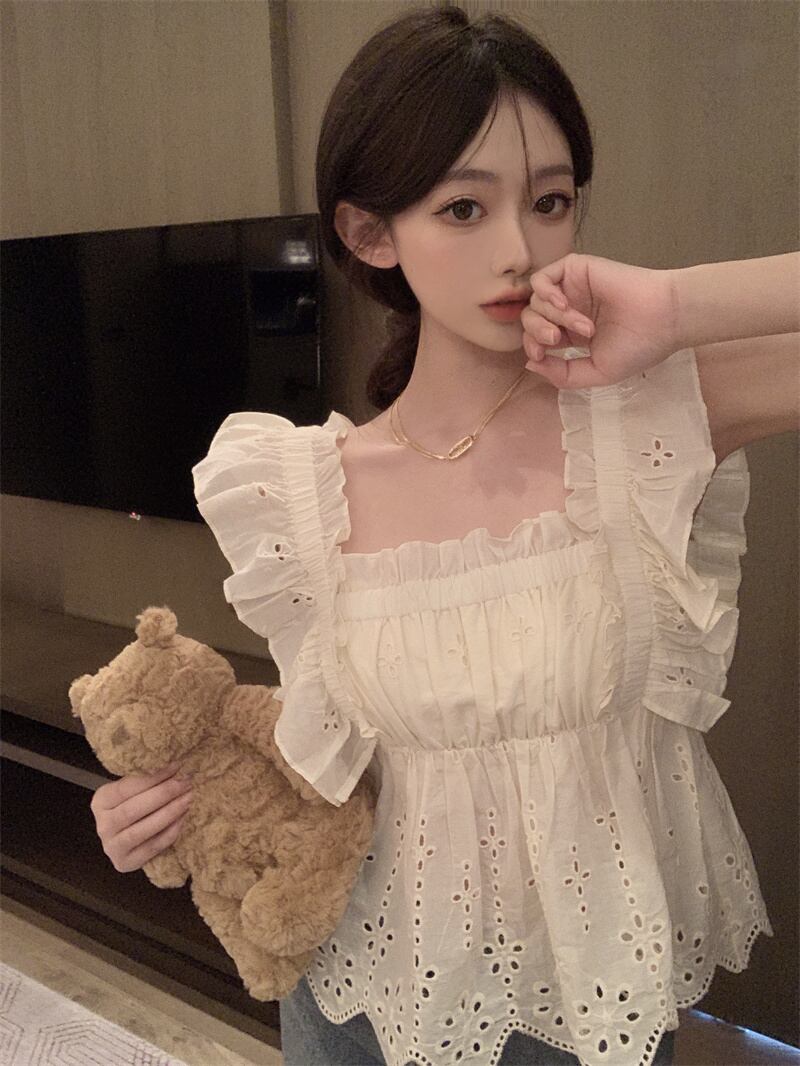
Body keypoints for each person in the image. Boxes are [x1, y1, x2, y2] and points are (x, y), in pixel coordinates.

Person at [90, 4, 798, 1065]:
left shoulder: (647, 425)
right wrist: (163, 805)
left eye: (550, 201)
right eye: (463, 208)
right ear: (370, 233)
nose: (521, 251)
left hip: (583, 1007)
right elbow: (339, 762)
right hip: (358, 1004)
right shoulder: (298, 494)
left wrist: (672, 305)